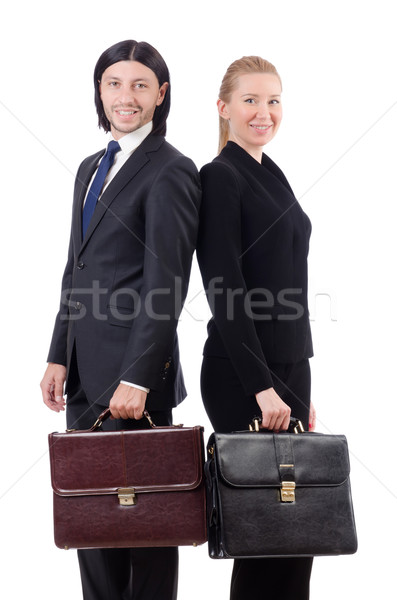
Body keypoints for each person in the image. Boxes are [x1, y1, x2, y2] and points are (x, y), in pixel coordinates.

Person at [40, 40, 201, 600]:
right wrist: (59, 352)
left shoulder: (172, 170)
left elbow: (167, 284)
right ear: (100, 91)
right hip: (85, 376)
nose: (124, 96)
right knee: (92, 522)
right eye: (114, 83)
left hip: (135, 382)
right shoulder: (90, 167)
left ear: (161, 94)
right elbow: (75, 267)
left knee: (146, 531)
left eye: (139, 85)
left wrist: (138, 374)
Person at [196, 56, 316, 599]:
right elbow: (225, 289)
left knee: (299, 535)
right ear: (224, 108)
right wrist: (263, 386)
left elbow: (289, 279)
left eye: (273, 100)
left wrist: (299, 377)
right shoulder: (220, 177)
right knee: (265, 533)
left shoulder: (270, 170)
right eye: (250, 100)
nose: (264, 112)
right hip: (244, 377)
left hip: (289, 371)